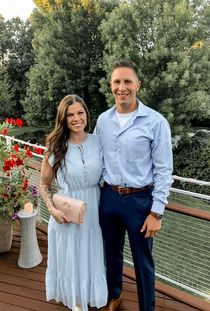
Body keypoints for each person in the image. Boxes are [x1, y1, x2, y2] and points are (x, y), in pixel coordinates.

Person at [95, 59, 173, 311]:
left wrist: (156, 212)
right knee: (111, 255)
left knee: (143, 262)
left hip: (141, 203)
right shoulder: (103, 121)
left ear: (137, 85)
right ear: (111, 85)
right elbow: (94, 157)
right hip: (108, 198)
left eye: (128, 81)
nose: (122, 87)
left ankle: (147, 308)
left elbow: (163, 171)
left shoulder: (156, 122)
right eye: (117, 81)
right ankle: (114, 295)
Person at [40, 94, 107, 311]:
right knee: (71, 257)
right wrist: (51, 210)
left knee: (90, 253)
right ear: (63, 119)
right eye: (70, 115)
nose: (76, 118)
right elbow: (43, 184)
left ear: (87, 114)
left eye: (80, 113)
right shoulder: (56, 145)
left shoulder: (98, 142)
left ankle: (88, 295)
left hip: (93, 210)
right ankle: (75, 300)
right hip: (66, 212)